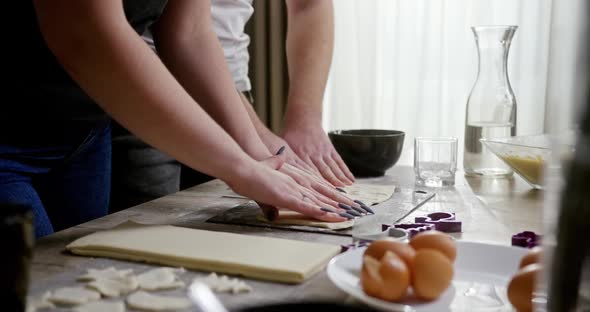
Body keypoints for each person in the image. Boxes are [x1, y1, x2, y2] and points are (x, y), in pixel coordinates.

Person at [3, 0, 354, 238]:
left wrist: (261, 157)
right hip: (9, 140)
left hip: (83, 135)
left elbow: (188, 33)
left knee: (82, 284)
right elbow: (81, 28)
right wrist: (240, 168)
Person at [110, 0, 356, 213]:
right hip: (140, 92)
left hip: (222, 91)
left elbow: (189, 33)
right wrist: (247, 161)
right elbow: (93, 33)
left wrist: (296, 128)